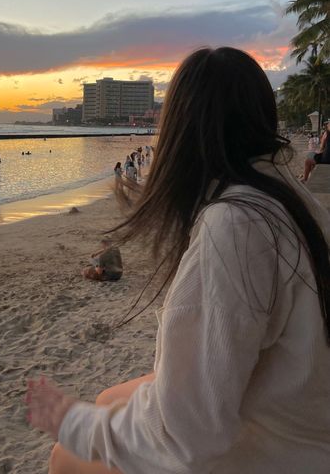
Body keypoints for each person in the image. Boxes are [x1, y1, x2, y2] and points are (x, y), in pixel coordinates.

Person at [27, 47, 330, 474]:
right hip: (304, 412)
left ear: (180, 130)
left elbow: (189, 436)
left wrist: (71, 423)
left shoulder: (235, 226)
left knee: (66, 456)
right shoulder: (289, 194)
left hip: (286, 450)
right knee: (110, 400)